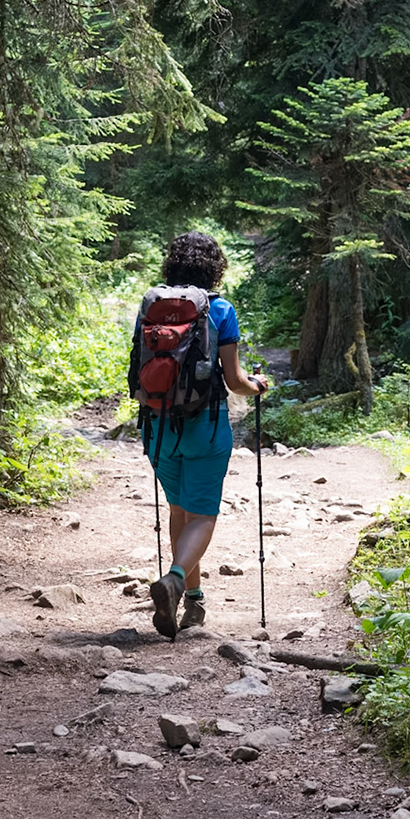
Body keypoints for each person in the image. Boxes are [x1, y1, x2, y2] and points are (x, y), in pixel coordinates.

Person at [141, 231, 268, 639]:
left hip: (158, 426)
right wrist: (257, 385)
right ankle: (176, 579)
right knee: (203, 515)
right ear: (213, 267)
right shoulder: (221, 309)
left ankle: (192, 601)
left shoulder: (152, 306)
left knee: (180, 510)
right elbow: (234, 381)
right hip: (206, 426)